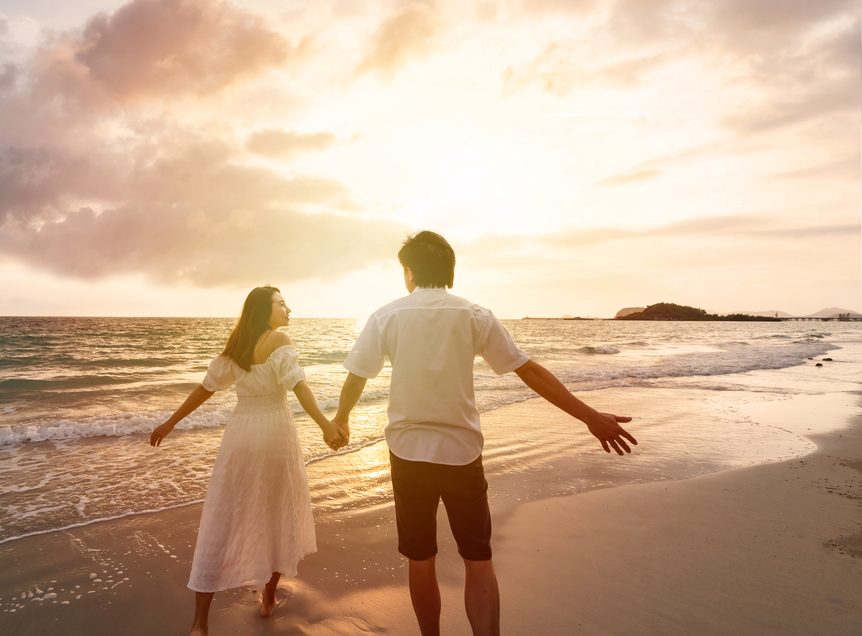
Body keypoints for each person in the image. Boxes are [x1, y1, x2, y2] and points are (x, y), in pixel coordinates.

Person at [331, 231, 637, 636]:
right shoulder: (475, 315)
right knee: (478, 557)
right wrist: (588, 416)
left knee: (420, 559)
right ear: (450, 271)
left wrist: (343, 419)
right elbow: (527, 370)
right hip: (461, 454)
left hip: (408, 454)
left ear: (408, 272)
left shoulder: (387, 315)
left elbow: (357, 376)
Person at [150, 286, 346, 636]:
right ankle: (268, 598)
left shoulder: (236, 347)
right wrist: (325, 425)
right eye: (281, 304)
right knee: (277, 513)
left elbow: (205, 388)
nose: (289, 309)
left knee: (221, 519)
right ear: (263, 311)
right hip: (275, 435)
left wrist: (171, 421)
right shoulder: (279, 339)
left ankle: (200, 622)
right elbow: (298, 385)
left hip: (240, 437)